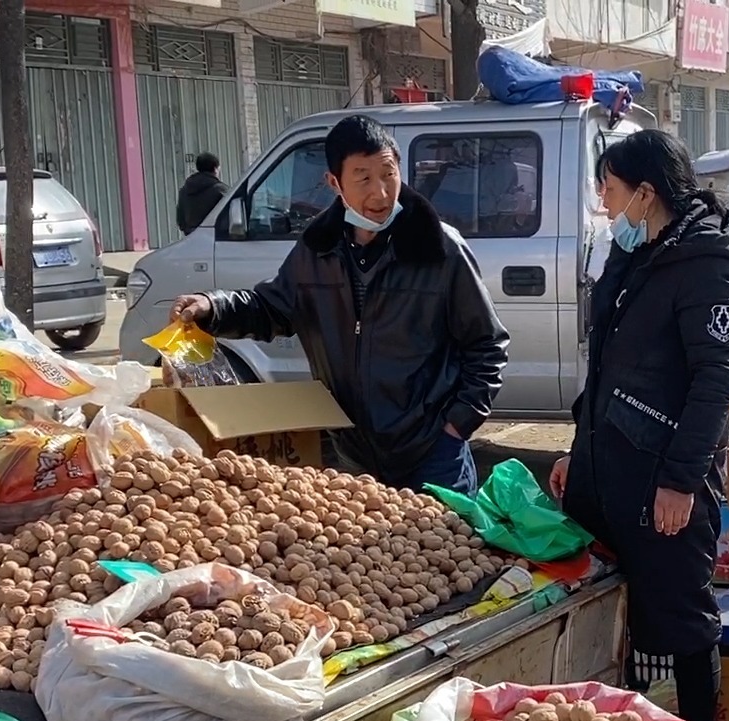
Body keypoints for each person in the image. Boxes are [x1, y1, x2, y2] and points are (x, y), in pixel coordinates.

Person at [168, 115, 509, 494]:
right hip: (354, 458)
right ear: (335, 183)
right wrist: (212, 307)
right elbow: (271, 307)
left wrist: (455, 427)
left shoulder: (440, 249)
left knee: (445, 552)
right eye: (363, 178)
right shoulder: (318, 249)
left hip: (433, 456)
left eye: (388, 174)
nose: (380, 193)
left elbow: (487, 346)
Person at [549, 130, 729, 721]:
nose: (602, 203)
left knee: (683, 622)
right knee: (614, 613)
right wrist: (578, 451)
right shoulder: (631, 251)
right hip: (606, 468)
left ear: (646, 193)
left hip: (660, 477)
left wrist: (680, 479)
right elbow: (609, 367)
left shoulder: (708, 263)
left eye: (609, 189)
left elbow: (716, 379)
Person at [175, 152, 228, 235]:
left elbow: (180, 221)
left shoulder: (184, 191)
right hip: (216, 239)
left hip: (191, 239)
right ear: (215, 169)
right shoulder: (221, 190)